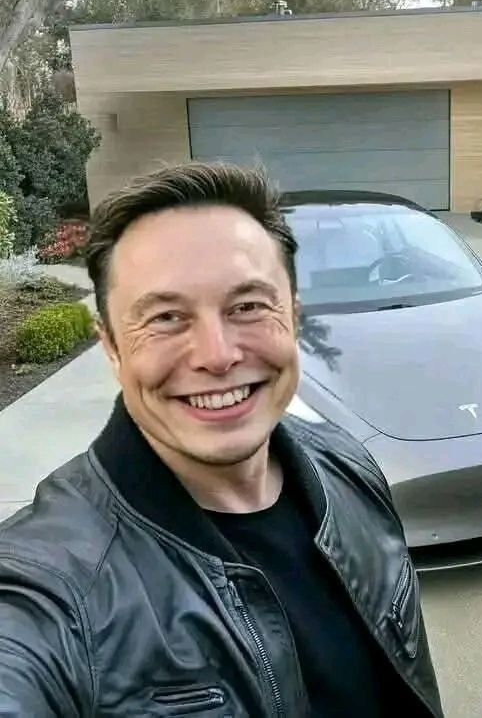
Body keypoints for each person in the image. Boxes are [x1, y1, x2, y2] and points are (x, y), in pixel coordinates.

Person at [0, 162, 443, 717]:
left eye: (248, 307)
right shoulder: (53, 583)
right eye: (166, 317)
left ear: (294, 316)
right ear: (111, 348)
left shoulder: (346, 465)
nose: (218, 355)